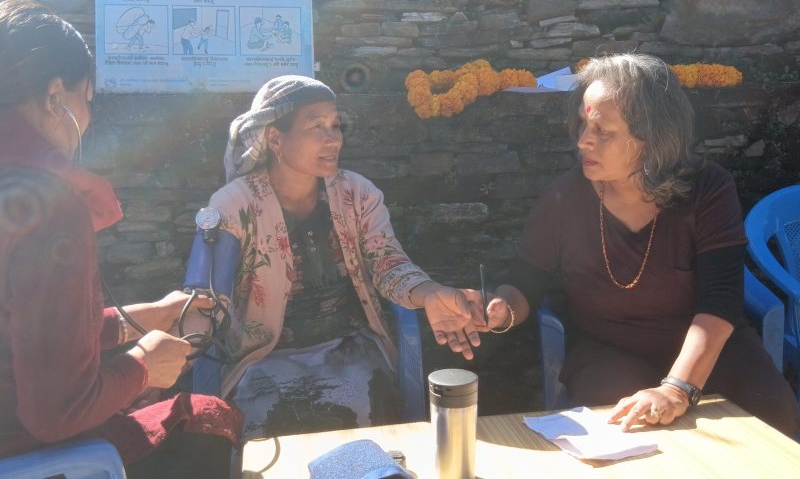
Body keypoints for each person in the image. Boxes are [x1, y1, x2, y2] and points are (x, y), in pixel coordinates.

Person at [482, 54, 799, 436]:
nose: (583, 141)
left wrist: (676, 388)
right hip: (609, 352)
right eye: (583, 124)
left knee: (775, 424)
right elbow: (526, 281)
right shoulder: (564, 198)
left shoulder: (708, 189)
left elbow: (721, 300)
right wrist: (500, 310)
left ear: (651, 138)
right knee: (628, 435)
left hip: (713, 350)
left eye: (603, 131)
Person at [0, 0, 242, 478]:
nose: (87, 119)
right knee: (208, 416)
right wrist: (144, 365)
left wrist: (140, 319)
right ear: (54, 96)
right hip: (22, 449)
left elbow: (29, 329)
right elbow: (57, 411)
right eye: (86, 100)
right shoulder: (45, 206)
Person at [199, 75, 483, 438]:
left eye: (335, 125)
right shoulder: (234, 204)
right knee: (273, 427)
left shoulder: (357, 193)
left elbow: (387, 263)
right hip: (264, 359)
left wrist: (429, 293)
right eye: (316, 126)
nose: (333, 139)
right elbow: (209, 295)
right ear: (275, 138)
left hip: (351, 351)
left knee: (364, 419)